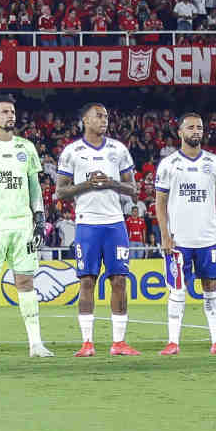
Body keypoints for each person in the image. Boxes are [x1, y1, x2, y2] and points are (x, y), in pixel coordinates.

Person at [0, 95, 53, 359]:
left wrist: (39, 221)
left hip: (22, 225)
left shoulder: (26, 148)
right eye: (5, 112)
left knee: (26, 282)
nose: (10, 116)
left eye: (12, 112)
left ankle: (36, 344)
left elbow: (34, 188)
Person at [55, 103, 140, 356]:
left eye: (106, 116)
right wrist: (87, 184)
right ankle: (87, 343)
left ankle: (119, 343)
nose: (104, 120)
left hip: (115, 223)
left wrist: (111, 182)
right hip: (87, 224)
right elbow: (61, 191)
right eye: (98, 116)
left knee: (120, 281)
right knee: (87, 281)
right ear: (85, 120)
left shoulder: (119, 150)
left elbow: (133, 190)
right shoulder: (72, 152)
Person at [155, 113, 216, 356]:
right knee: (177, 289)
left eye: (199, 127)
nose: (196, 131)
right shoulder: (169, 164)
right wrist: (164, 235)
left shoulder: (215, 163)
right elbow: (159, 202)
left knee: (211, 287)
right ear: (180, 132)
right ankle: (173, 342)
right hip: (178, 239)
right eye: (190, 127)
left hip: (208, 239)